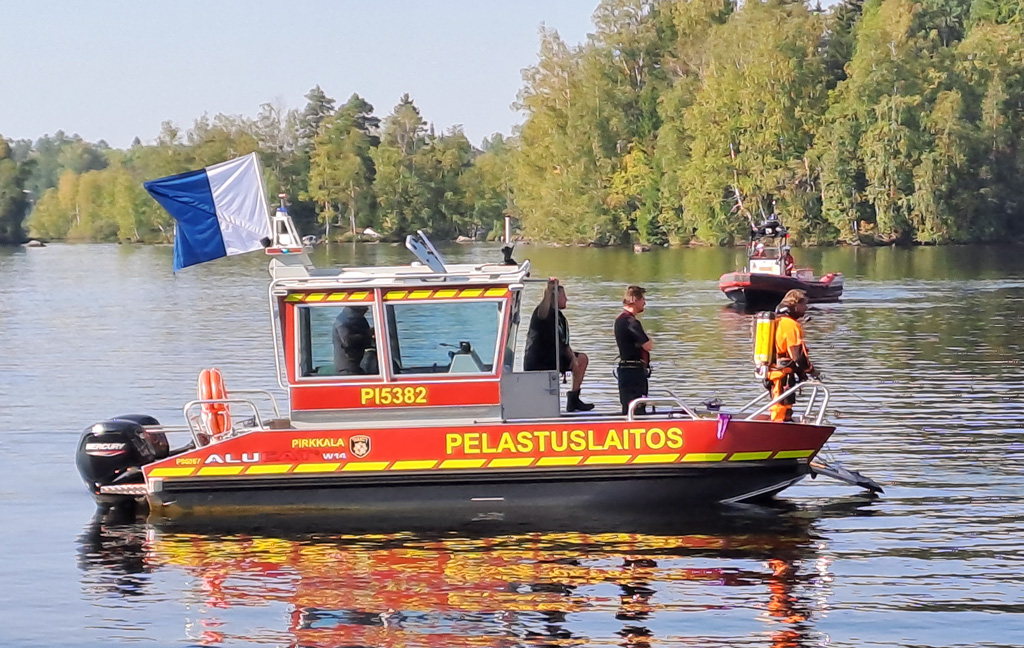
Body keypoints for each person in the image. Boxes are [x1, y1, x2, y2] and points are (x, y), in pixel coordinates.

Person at [524, 278, 593, 412]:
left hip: (555, 356)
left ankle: (573, 399)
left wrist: (573, 358)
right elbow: (543, 312)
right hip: (539, 360)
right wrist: (549, 291)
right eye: (564, 296)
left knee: (582, 359)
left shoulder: (560, 317)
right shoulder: (543, 312)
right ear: (555, 297)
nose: (566, 299)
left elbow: (564, 343)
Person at [766, 289, 818, 422]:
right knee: (780, 407)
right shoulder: (790, 325)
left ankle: (784, 426)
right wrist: (811, 371)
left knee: (784, 406)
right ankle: (777, 431)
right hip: (782, 375)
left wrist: (801, 374)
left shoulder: (778, 321)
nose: (806, 308)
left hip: (774, 372)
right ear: (796, 305)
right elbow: (798, 355)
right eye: (804, 305)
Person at [614, 285, 653, 415]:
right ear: (635, 300)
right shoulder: (630, 321)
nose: (645, 303)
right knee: (637, 409)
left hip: (626, 370)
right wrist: (650, 340)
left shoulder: (620, 320)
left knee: (628, 408)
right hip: (633, 373)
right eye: (643, 299)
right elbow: (647, 345)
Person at [332, 306, 376, 375]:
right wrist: (367, 335)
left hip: (359, 364)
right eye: (364, 307)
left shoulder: (360, 320)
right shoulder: (342, 322)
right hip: (348, 369)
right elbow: (347, 341)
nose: (367, 309)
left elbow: (367, 342)